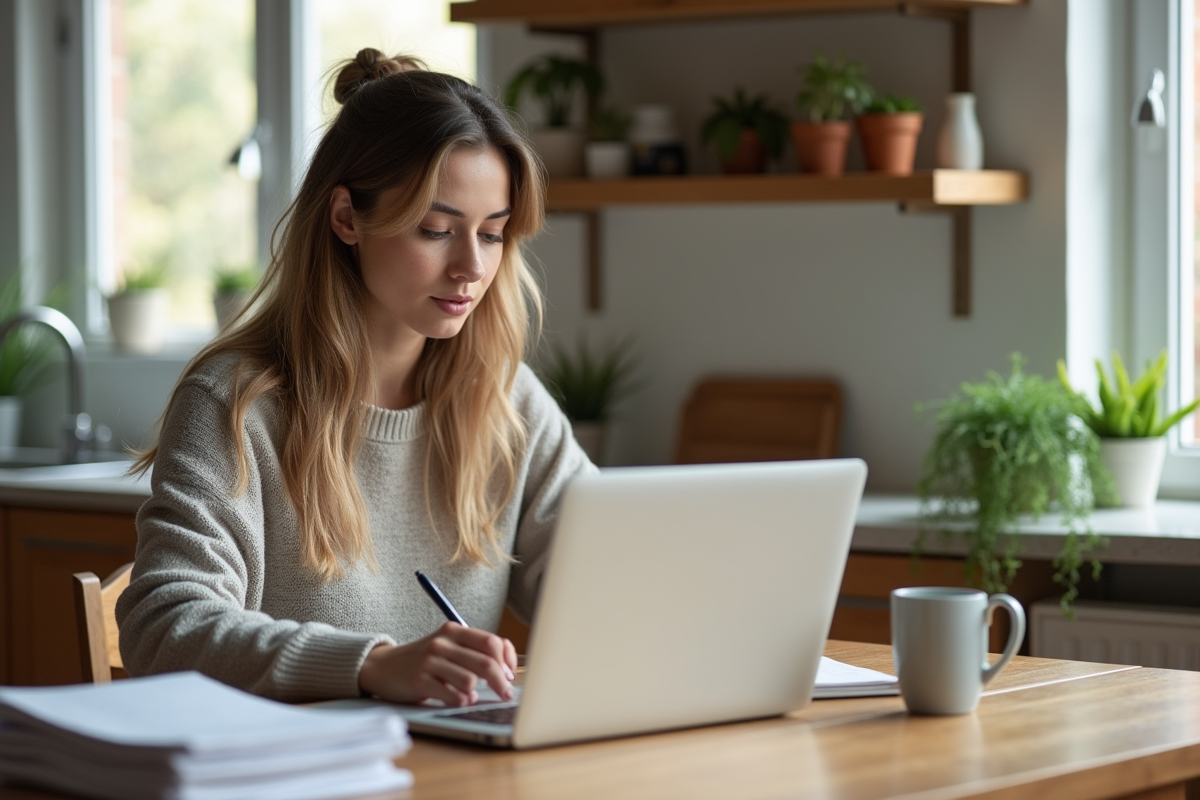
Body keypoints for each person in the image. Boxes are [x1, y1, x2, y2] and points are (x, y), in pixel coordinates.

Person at [115, 49, 594, 707]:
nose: (470, 267)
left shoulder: (506, 402)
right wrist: (369, 665)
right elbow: (161, 628)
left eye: (492, 234)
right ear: (346, 218)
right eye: (436, 230)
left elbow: (610, 585)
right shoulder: (237, 404)